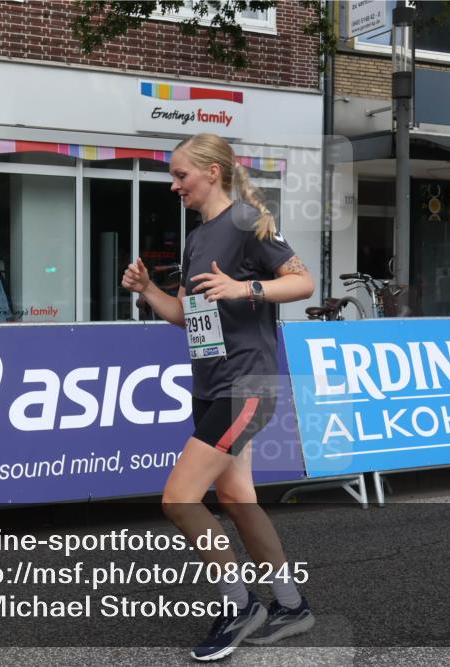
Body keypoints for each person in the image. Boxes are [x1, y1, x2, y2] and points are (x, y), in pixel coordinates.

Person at [122, 133, 316, 661]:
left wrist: (244, 288)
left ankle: (239, 605)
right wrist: (147, 292)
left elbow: (303, 283)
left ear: (212, 172)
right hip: (209, 385)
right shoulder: (197, 237)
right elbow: (188, 318)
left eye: (181, 174)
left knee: (179, 499)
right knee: (234, 499)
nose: (173, 184)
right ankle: (290, 605)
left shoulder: (246, 221)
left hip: (248, 384)